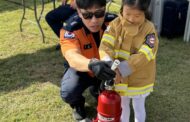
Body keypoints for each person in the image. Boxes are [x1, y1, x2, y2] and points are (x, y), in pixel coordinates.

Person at [99, 0, 159, 122]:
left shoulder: (149, 29)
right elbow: (105, 46)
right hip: (118, 77)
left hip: (140, 78)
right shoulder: (115, 25)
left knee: (138, 106)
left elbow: (145, 54)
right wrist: (109, 64)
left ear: (144, 12)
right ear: (122, 9)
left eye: (137, 15)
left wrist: (121, 69)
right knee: (122, 105)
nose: (132, 18)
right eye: (127, 13)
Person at [59, 0, 117, 121]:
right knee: (69, 92)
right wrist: (92, 64)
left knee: (118, 98)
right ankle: (78, 104)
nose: (94, 20)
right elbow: (71, 55)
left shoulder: (115, 22)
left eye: (99, 13)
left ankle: (97, 89)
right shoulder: (70, 28)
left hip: (107, 67)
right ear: (79, 12)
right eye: (87, 15)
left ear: (105, 9)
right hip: (83, 69)